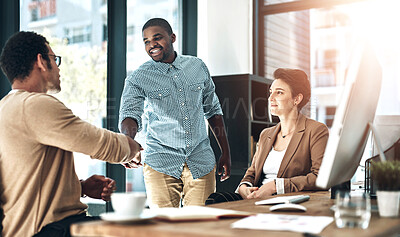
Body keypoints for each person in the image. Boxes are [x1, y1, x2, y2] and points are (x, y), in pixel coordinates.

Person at [0, 31, 142, 237]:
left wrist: (81, 187)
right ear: (41, 61)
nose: (58, 68)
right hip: (51, 230)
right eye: (55, 60)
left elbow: (23, 180)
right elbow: (100, 143)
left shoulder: (5, 108)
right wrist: (134, 149)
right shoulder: (34, 105)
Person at [119, 18, 231, 208]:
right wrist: (127, 142)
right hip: (160, 162)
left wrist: (225, 152)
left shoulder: (197, 66)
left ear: (172, 37)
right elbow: (130, 114)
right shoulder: (138, 78)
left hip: (201, 160)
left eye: (157, 38)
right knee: (163, 227)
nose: (151, 44)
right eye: (146, 41)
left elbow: (213, 111)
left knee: (200, 225)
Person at [206, 68, 329, 204]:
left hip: (284, 201)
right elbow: (251, 173)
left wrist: (276, 186)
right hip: (255, 199)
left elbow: (320, 177)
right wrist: (244, 187)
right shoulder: (266, 134)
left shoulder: (316, 130)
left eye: (279, 92)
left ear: (297, 99)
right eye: (271, 92)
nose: (271, 98)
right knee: (213, 201)